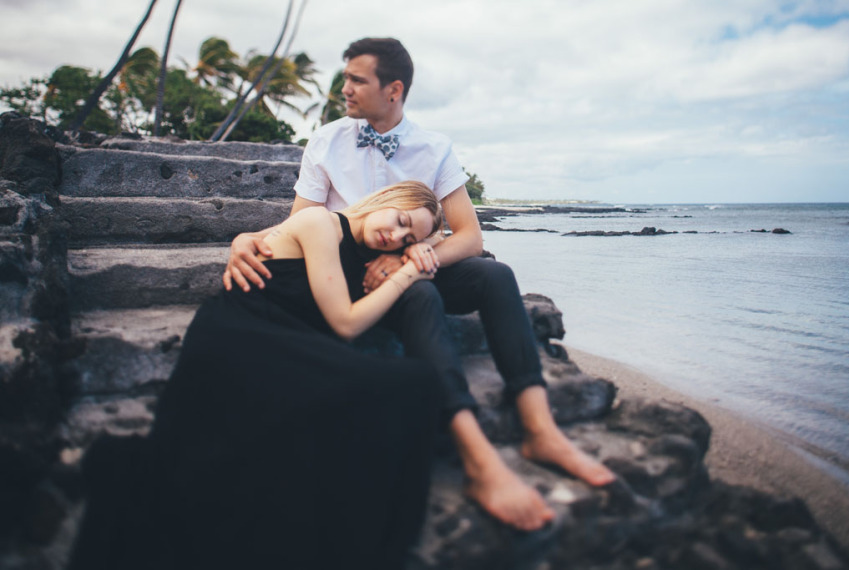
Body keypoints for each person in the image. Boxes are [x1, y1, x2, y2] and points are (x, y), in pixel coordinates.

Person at [223, 37, 615, 532]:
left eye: (355, 79)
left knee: (497, 275)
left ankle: (540, 428)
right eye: (345, 78)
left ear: (394, 90)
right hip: (345, 272)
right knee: (420, 291)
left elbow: (470, 236)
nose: (343, 88)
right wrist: (245, 238)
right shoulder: (325, 141)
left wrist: (413, 253)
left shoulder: (434, 148)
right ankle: (475, 456)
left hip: (414, 257)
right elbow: (296, 224)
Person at [69, 182, 445, 570]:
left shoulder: (371, 249)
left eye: (407, 238)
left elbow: (450, 241)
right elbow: (346, 324)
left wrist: (416, 251)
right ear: (385, 200)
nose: (396, 236)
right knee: (410, 383)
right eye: (400, 221)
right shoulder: (319, 221)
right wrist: (410, 274)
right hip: (239, 335)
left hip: (285, 339)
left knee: (412, 383)